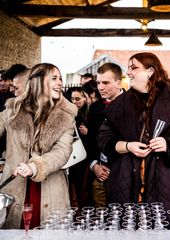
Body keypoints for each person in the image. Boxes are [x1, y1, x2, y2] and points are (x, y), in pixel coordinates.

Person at [97, 52, 170, 228]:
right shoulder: (120, 103)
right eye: (128, 68)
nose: (129, 73)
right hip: (127, 183)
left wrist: (168, 144)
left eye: (134, 68)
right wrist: (127, 146)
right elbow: (103, 138)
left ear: (150, 71)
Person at [0, 63, 77, 229]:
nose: (60, 83)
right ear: (38, 81)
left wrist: (35, 166)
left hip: (50, 191)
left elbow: (62, 152)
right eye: (54, 78)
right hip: (15, 188)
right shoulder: (13, 110)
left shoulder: (66, 116)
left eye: (61, 79)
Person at [87, 62, 123, 208]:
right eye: (99, 82)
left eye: (106, 82)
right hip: (99, 174)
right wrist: (94, 165)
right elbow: (89, 140)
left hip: (123, 175)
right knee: (100, 220)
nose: (100, 87)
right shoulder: (95, 108)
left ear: (118, 83)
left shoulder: (134, 104)